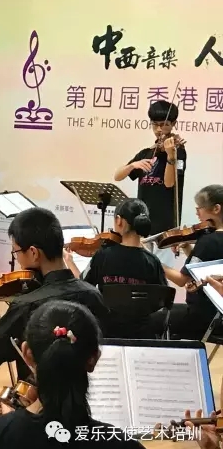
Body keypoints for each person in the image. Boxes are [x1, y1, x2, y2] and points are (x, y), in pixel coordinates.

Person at [0, 207, 108, 379]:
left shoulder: (26, 305)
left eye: (16, 252)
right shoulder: (93, 295)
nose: (17, 259)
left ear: (33, 252)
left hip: (38, 395)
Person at [0, 301, 157, 449]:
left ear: (27, 353)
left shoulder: (3, 433)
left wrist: (9, 424)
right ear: (94, 358)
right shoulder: (121, 447)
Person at [64, 198, 167, 337]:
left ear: (119, 221)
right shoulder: (152, 262)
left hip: (107, 332)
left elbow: (83, 286)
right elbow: (163, 301)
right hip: (142, 335)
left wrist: (69, 261)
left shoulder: (103, 256)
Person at [114, 100, 186, 266]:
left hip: (165, 226)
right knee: (141, 269)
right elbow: (117, 176)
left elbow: (169, 184)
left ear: (173, 124)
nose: (159, 129)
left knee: (162, 271)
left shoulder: (178, 152)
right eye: (155, 124)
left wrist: (170, 157)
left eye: (164, 125)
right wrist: (133, 165)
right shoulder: (146, 153)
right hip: (142, 223)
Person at [155, 185, 223, 340]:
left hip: (202, 317)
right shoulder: (211, 240)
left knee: (153, 319)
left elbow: (182, 280)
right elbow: (203, 265)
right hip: (218, 315)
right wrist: (187, 248)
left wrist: (153, 260)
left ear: (216, 209)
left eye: (200, 208)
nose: (197, 213)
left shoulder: (208, 241)